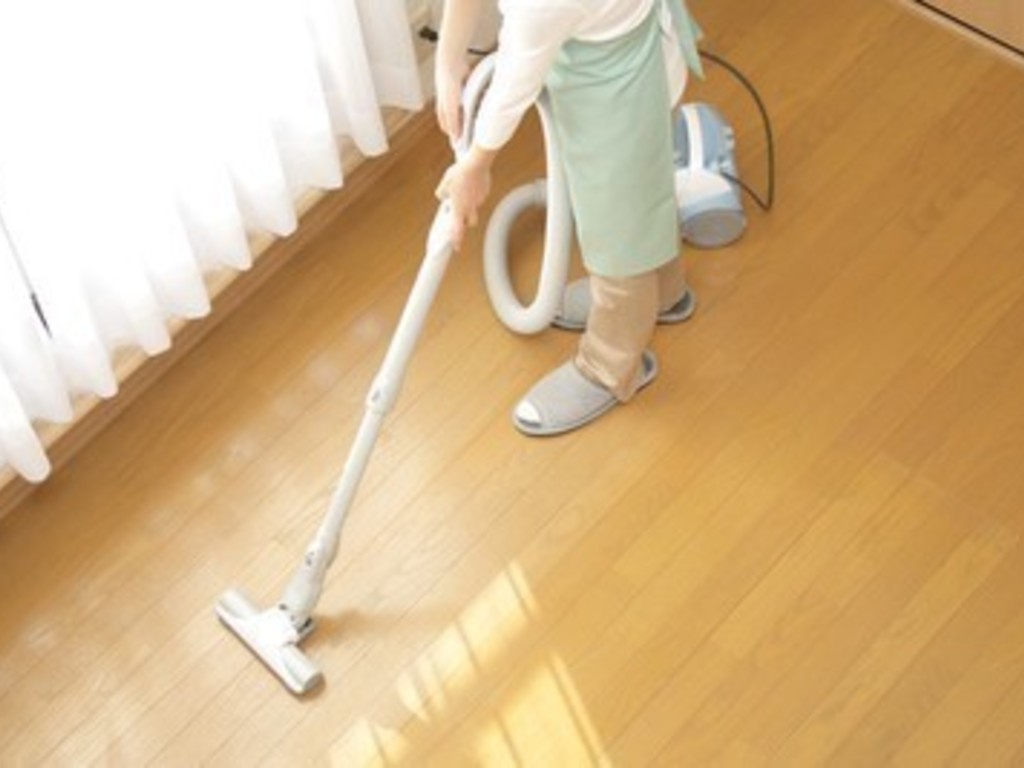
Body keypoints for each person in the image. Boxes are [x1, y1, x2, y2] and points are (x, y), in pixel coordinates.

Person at [435, 0, 703, 436]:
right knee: (641, 199)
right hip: (621, 51)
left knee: (619, 234)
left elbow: (514, 82)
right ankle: (664, 294)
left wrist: (476, 166)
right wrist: (447, 62)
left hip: (622, 90)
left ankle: (610, 367)